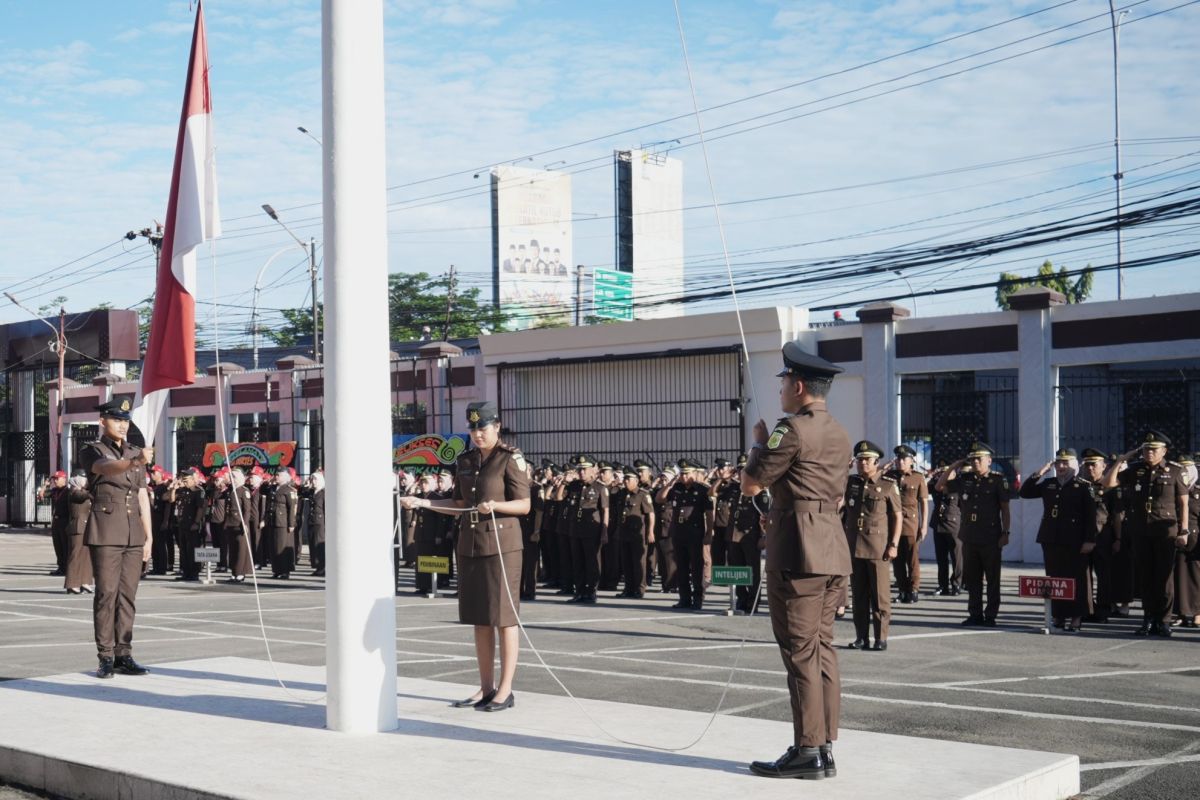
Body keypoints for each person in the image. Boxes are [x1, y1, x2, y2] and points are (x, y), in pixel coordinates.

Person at [740, 343, 850, 780]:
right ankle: (823, 745)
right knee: (822, 649)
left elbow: (752, 485)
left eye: (784, 380)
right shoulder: (840, 432)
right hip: (831, 549)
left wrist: (759, 445)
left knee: (800, 652)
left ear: (799, 385)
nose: (782, 387)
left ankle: (807, 748)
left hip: (799, 551)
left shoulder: (791, 430)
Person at [400, 401, 530, 712]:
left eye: (482, 428)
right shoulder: (466, 461)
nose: (477, 434)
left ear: (496, 426)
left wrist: (496, 506)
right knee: (478, 618)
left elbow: (524, 505)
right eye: (472, 428)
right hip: (470, 543)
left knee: (504, 619)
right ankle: (485, 687)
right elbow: (459, 503)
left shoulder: (509, 459)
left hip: (501, 545)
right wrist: (423, 502)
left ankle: (506, 689)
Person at [78, 398, 154, 679]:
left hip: (133, 532)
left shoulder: (135, 451)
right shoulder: (92, 450)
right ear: (102, 421)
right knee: (106, 594)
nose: (122, 425)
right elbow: (106, 468)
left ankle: (124, 653)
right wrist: (135, 461)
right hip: (107, 531)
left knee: (128, 597)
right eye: (116, 419)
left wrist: (149, 537)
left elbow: (143, 495)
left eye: (125, 420)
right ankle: (106, 656)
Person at [1103, 430, 1190, 637]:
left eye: (1153, 449)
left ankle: (1164, 621)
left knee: (1164, 578)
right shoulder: (1135, 470)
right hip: (1141, 530)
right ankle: (1148, 619)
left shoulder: (1175, 471)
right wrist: (1121, 460)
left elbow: (1183, 503)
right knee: (1145, 577)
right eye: (1145, 449)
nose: (1149, 453)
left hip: (1165, 531)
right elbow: (1108, 483)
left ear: (1164, 451)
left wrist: (1184, 530)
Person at [1019, 449, 1097, 631]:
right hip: (1051, 538)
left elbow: (1090, 516)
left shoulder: (1084, 486)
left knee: (1077, 579)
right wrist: (1040, 472)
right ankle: (1059, 615)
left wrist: (1089, 540)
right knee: (1055, 579)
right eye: (1058, 463)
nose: (1061, 467)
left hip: (1075, 540)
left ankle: (1077, 617)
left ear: (1074, 465)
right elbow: (1025, 492)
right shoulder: (1049, 483)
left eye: (1065, 463)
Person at [936, 443, 1010, 627]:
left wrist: (1006, 532)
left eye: (980, 458)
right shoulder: (964, 479)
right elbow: (939, 486)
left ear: (989, 461)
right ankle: (975, 614)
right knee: (973, 579)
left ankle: (991, 615)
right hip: (969, 536)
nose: (976, 462)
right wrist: (954, 466)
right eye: (973, 459)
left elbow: (1005, 510)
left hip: (991, 537)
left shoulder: (997, 480)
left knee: (992, 579)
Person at [843, 441, 902, 651]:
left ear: (876, 462)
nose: (862, 464)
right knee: (859, 596)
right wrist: (844, 468)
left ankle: (880, 637)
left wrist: (893, 544)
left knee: (880, 596)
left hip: (878, 548)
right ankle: (861, 637)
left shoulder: (887, 485)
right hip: (854, 546)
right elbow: (836, 502)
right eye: (859, 460)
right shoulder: (850, 483)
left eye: (866, 460)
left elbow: (897, 516)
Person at [658, 460, 712, 611]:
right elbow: (660, 498)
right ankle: (684, 599)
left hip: (695, 534)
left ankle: (698, 599)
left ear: (694, 473)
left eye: (686, 473)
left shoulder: (702, 490)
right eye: (681, 473)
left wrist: (709, 533)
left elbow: (709, 514)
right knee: (681, 568)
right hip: (678, 534)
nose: (683, 476)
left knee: (696, 569)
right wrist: (670, 484)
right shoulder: (676, 488)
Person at [885, 445, 929, 604]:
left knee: (912, 559)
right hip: (892, 524)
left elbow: (923, 503)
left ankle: (914, 589)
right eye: (898, 458)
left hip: (911, 523)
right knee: (896, 560)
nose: (900, 461)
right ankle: (902, 590)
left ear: (911, 461)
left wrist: (924, 526)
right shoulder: (889, 475)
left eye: (904, 459)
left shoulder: (918, 477)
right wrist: (884, 468)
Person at [568, 456, 609, 604]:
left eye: (584, 469)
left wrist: (604, 532)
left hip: (592, 531)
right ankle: (579, 591)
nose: (581, 472)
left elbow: (605, 511)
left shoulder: (600, 488)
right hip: (576, 529)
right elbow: (560, 497)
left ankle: (591, 592)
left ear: (593, 470)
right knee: (578, 562)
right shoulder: (574, 486)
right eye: (579, 469)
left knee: (591, 562)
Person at [614, 470, 655, 599]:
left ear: (636, 481)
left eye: (629, 479)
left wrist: (650, 531)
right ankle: (628, 588)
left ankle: (640, 588)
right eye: (625, 479)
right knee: (626, 562)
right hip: (624, 533)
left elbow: (650, 514)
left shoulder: (643, 494)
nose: (625, 481)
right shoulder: (621, 493)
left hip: (638, 534)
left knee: (638, 563)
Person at [928, 462, 962, 596]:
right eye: (944, 473)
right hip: (938, 525)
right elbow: (928, 485)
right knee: (941, 559)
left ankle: (957, 584)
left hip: (954, 526)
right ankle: (943, 585)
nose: (946, 475)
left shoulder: (958, 487)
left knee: (957, 558)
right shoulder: (937, 485)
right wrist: (932, 474)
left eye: (949, 472)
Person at [1173, 453, 1199, 628]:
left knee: (1196, 576)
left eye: (1188, 468)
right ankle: (1182, 613)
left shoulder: (1198, 491)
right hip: (1176, 537)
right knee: (1178, 577)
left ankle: (1198, 613)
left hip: (1196, 539)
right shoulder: (1173, 488)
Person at [170, 468, 206, 582]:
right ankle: (186, 572)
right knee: (183, 550)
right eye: (183, 480)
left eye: (186, 480)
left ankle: (194, 573)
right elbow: (172, 500)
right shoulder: (182, 490)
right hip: (182, 523)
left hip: (192, 524)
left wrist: (196, 522)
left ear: (192, 479)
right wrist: (173, 489)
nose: (184, 482)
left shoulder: (198, 491)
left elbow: (200, 508)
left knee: (193, 550)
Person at [64, 470, 94, 595]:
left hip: (86, 527)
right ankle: (72, 584)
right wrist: (92, 491)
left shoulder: (83, 491)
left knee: (86, 556)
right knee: (75, 556)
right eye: (83, 478)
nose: (86, 480)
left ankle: (85, 582)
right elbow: (81, 497)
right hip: (77, 527)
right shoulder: (73, 491)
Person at [267, 469, 300, 579]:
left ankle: (285, 571)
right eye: (276, 475)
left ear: (286, 477)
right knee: (274, 547)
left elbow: (292, 509)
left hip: (283, 522)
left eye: (278, 475)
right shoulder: (273, 488)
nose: (276, 477)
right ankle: (276, 570)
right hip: (273, 521)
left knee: (282, 547)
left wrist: (291, 524)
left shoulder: (289, 490)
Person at [225, 468, 256, 583]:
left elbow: (247, 510)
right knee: (232, 550)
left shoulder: (244, 491)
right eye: (231, 477)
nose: (232, 479)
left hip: (239, 523)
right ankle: (234, 572)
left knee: (241, 550)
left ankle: (240, 573)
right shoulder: (231, 490)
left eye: (234, 477)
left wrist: (245, 523)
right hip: (231, 523)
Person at [308, 471, 326, 577]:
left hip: (320, 523)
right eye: (311, 479)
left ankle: (322, 567)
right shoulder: (313, 492)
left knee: (319, 546)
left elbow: (325, 509)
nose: (312, 481)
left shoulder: (323, 492)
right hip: (312, 521)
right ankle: (317, 566)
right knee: (313, 545)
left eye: (314, 479)